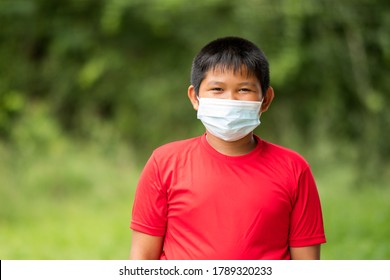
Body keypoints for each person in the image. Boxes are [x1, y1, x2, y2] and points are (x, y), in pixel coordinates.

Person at [129, 36, 326, 260]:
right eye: (217, 89)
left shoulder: (294, 169)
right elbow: (142, 260)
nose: (230, 99)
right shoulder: (164, 164)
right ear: (195, 97)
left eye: (243, 90)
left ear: (265, 99)